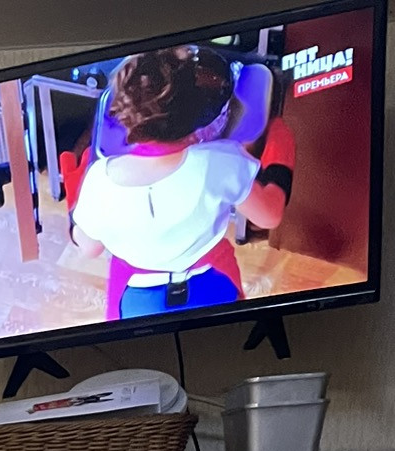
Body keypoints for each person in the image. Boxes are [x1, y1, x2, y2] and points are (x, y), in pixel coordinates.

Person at [67, 45, 294, 320]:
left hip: (135, 300)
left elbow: (90, 248)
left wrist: (75, 208)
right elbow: (269, 216)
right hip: (212, 285)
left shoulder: (99, 180)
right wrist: (281, 158)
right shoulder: (221, 161)